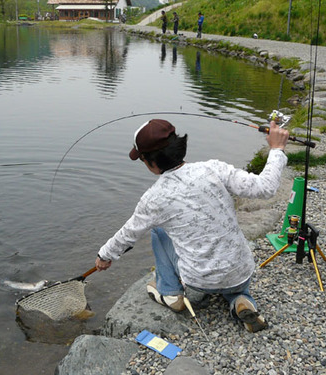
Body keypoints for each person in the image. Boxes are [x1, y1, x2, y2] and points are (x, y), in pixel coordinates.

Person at [95, 118, 289, 333]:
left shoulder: (154, 198)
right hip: (241, 270)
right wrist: (277, 149)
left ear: (150, 161)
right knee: (232, 271)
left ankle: (170, 292)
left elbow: (128, 234)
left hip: (199, 280)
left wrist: (105, 256)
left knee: (158, 230)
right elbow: (266, 188)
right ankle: (240, 299)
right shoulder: (214, 168)